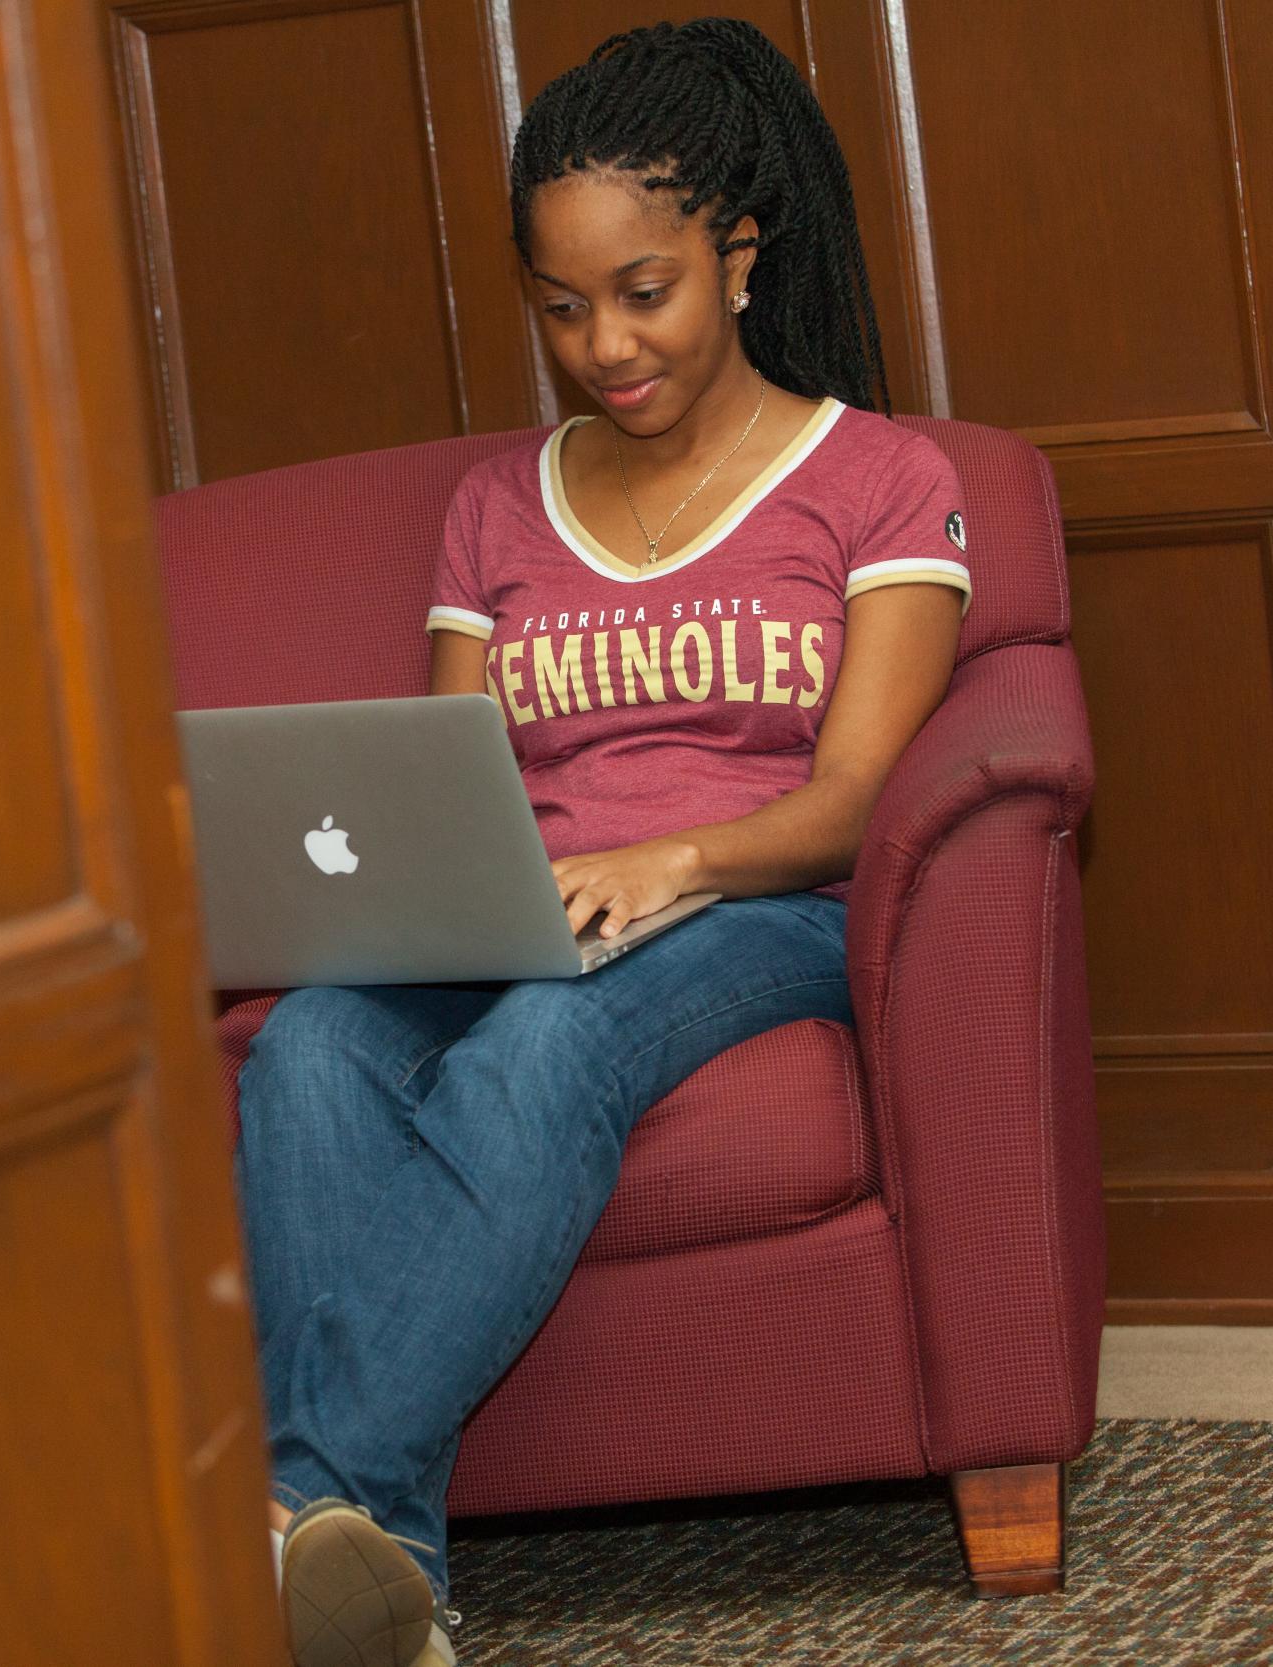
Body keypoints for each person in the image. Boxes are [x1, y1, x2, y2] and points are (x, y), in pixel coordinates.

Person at [237, 19, 975, 1667]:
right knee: (306, 1045)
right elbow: (451, 781)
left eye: (644, 293)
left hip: (762, 907)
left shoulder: (878, 478)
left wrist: (679, 864)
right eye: (563, 307)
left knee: (545, 1045)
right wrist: (409, 893)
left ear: (739, 254)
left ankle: (297, 1510)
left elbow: (858, 798)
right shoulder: (497, 509)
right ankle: (377, 1582)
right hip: (530, 904)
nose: (604, 346)